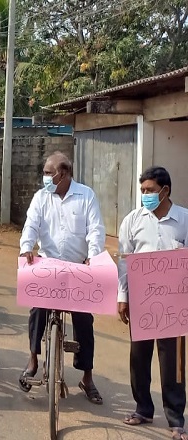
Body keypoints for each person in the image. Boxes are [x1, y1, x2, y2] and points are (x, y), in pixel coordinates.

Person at [18, 152, 105, 402]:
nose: (45, 177)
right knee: (37, 310)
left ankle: (87, 377)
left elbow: (96, 230)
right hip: (48, 266)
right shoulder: (41, 198)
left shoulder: (86, 196)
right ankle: (33, 359)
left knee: (84, 321)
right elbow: (31, 225)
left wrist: (93, 256)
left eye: (48, 173)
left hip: (78, 269)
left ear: (63, 174)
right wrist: (27, 247)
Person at [117, 166, 188, 439]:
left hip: (173, 302)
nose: (144, 195)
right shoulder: (132, 221)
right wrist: (123, 297)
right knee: (139, 357)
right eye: (142, 190)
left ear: (165, 191)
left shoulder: (184, 219)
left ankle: (175, 419)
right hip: (142, 300)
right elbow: (124, 262)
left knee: (173, 362)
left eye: (149, 190)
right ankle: (143, 409)